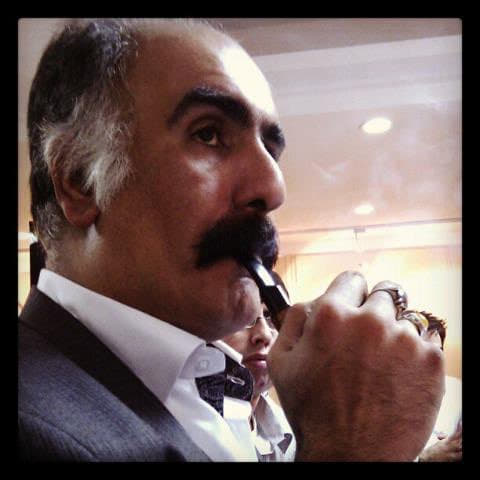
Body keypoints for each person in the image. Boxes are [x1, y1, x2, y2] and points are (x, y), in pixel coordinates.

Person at [19, 18, 445, 462]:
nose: (273, 189)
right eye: (208, 134)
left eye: (271, 150)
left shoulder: (212, 386)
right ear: (79, 180)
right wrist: (350, 448)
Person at [223, 274, 295, 461]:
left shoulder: (289, 429)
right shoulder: (179, 428)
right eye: (244, 317)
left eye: (272, 318)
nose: (264, 334)